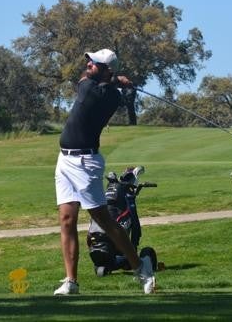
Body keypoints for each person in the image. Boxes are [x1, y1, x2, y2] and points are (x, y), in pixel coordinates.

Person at [53, 48, 155, 295]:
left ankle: (141, 269)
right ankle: (71, 282)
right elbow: (104, 83)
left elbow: (84, 80)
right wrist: (118, 81)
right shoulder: (112, 93)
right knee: (66, 220)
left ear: (106, 70)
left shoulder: (91, 90)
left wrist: (115, 81)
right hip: (64, 161)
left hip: (85, 163)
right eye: (89, 60)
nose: (88, 64)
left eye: (94, 62)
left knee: (104, 220)